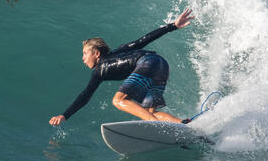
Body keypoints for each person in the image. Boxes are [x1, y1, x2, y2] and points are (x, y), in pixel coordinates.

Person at [49, 8, 195, 126]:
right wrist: (173, 26)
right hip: (161, 64)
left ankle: (156, 127)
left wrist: (64, 115)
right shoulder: (119, 51)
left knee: (118, 100)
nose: (83, 59)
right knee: (148, 113)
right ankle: (184, 124)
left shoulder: (99, 71)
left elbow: (85, 96)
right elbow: (142, 41)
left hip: (146, 63)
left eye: (85, 54)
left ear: (96, 53)